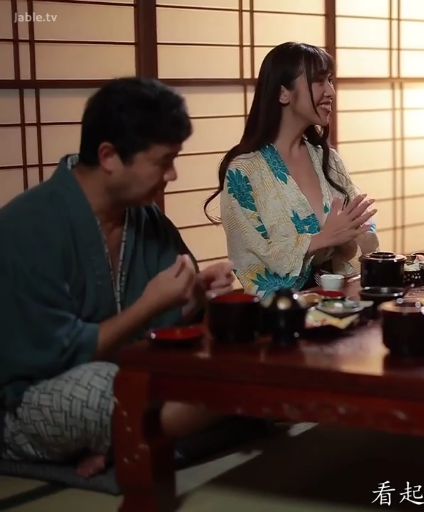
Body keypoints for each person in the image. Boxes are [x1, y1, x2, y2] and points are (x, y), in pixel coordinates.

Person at [0, 77, 232, 478]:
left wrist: (194, 293)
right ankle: (133, 434)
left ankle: (121, 439)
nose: (172, 174)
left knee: (236, 369)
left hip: (132, 368)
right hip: (32, 396)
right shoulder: (26, 226)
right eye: (163, 161)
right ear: (108, 156)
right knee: (156, 398)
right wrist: (150, 304)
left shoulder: (144, 216)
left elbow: (167, 324)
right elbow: (55, 356)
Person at [205, 42, 378, 298]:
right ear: (283, 93)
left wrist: (353, 235)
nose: (331, 91)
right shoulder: (244, 171)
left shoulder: (327, 159)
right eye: (319, 81)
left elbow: (360, 230)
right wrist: (322, 239)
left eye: (330, 80)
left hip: (342, 304)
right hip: (283, 313)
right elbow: (250, 258)